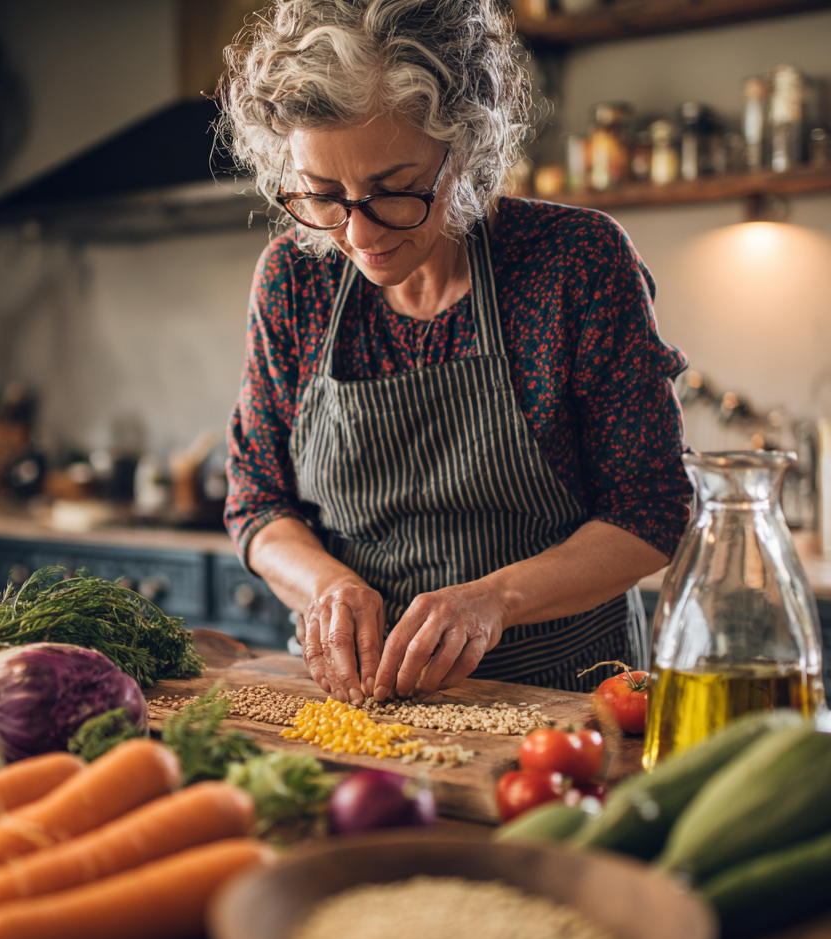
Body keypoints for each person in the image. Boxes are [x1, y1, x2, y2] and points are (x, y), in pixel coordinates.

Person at [218, 0, 691, 706]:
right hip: (358, 704)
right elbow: (258, 501)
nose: (359, 233)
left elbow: (649, 513)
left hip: (563, 704)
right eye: (323, 196)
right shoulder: (295, 279)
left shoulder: (576, 263)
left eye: (395, 191)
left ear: (467, 149)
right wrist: (329, 585)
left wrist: (493, 600)